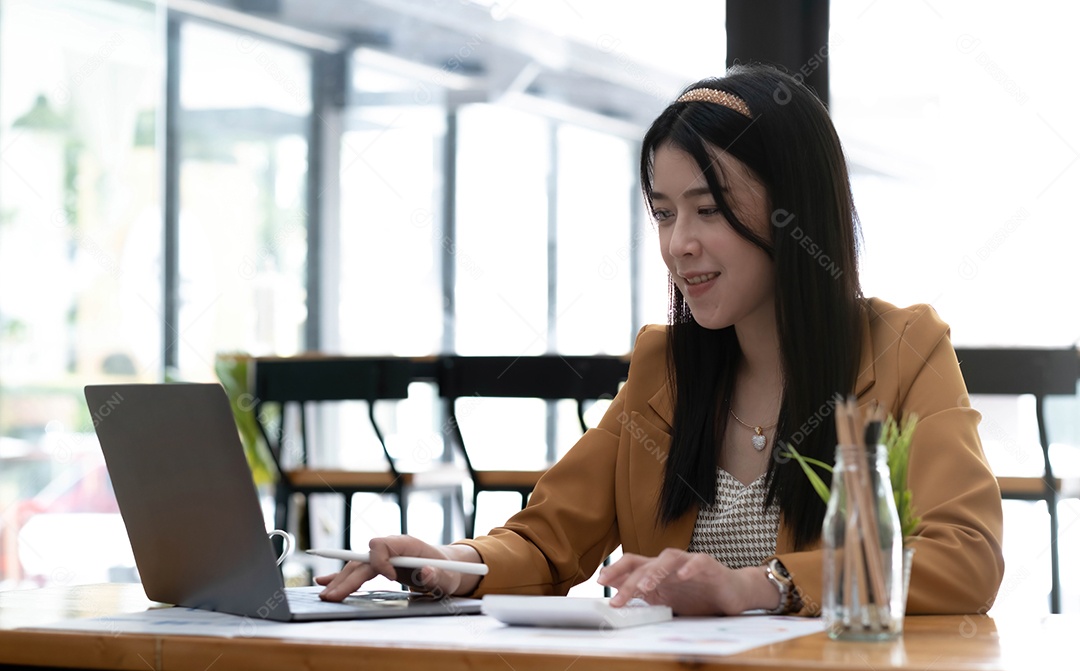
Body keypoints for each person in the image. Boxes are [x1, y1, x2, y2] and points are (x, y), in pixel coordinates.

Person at [317, 64, 1004, 616]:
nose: (680, 245)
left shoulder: (904, 349)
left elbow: (964, 556)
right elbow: (550, 537)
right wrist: (449, 563)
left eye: (709, 209)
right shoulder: (662, 366)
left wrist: (759, 585)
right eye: (664, 212)